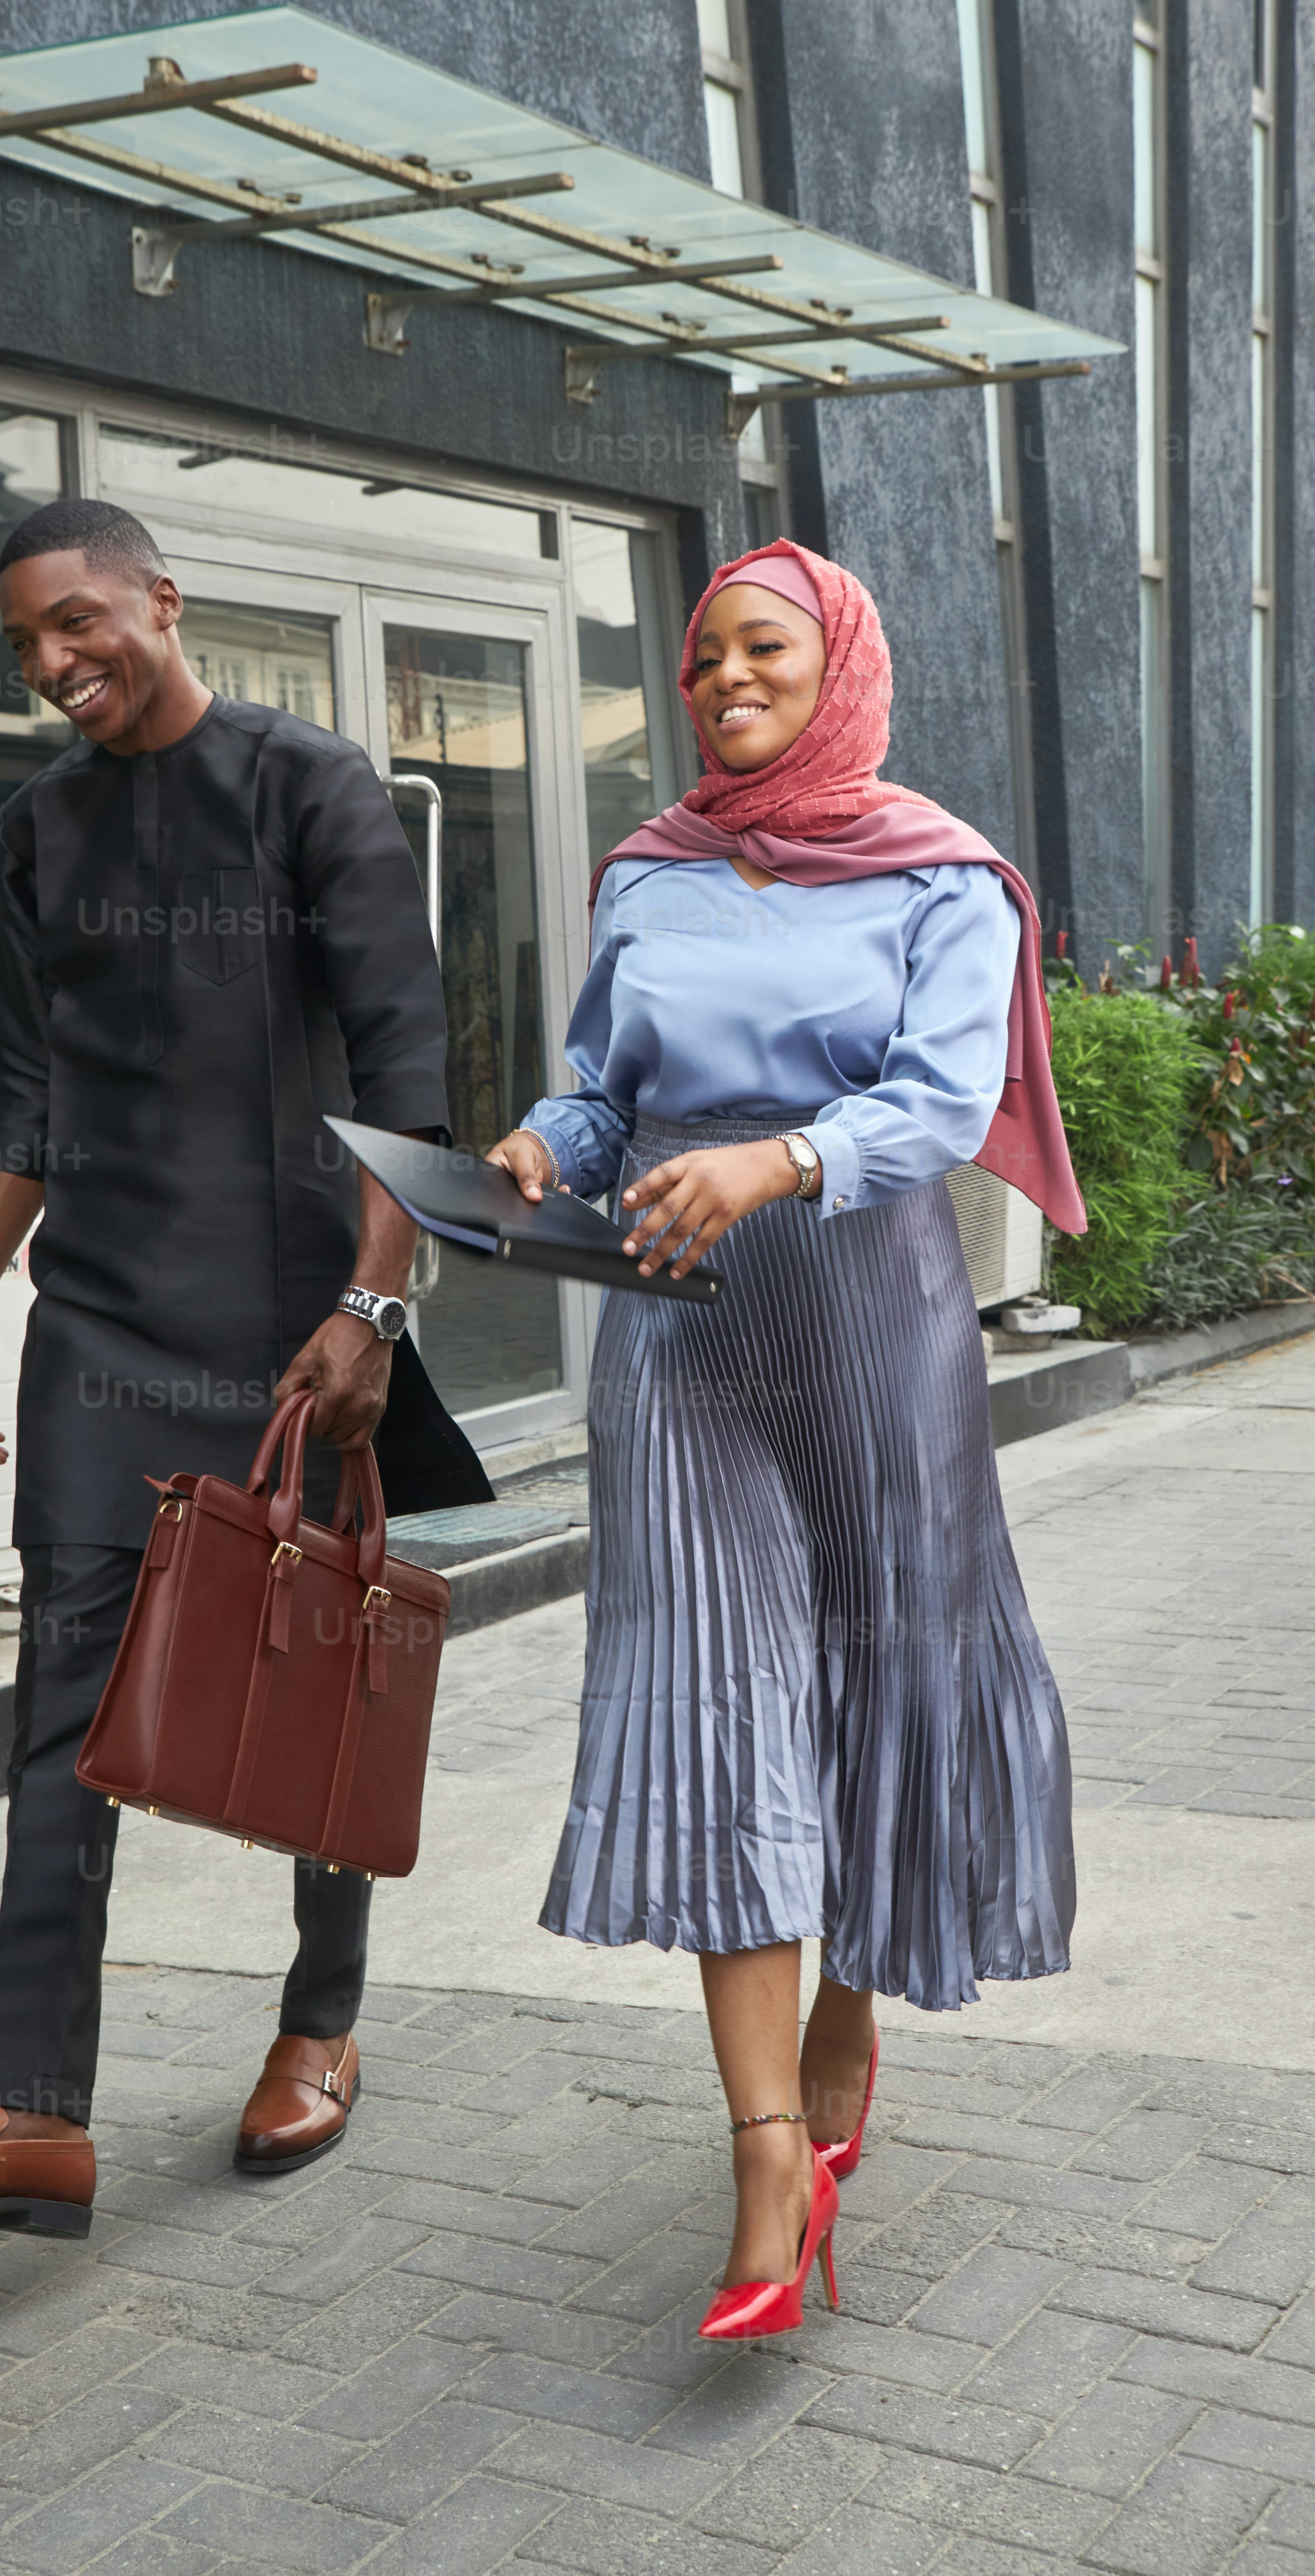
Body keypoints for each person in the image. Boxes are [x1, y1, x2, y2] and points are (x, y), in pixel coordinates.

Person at [0, 498, 489, 2239]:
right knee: (61, 1702)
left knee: (312, 1664)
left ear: (159, 602)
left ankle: (322, 2020)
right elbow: (23, 1092)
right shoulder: (43, 826)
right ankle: (34, 2113)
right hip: (103, 1319)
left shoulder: (312, 790)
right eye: (25, 643)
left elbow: (407, 1074)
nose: (53, 665)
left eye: (77, 625)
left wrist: (376, 1308)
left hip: (292, 1319)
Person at [488, 538, 1083, 2340]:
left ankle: (853, 2002)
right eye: (699, 657)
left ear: (837, 664)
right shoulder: (650, 873)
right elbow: (603, 1090)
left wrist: (779, 1157)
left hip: (869, 1317)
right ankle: (765, 2162)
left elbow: (940, 1102)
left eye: (762, 647)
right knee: (717, 1685)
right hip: (682, 1336)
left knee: (885, 1678)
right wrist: (539, 1148)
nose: (724, 679)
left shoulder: (941, 876)